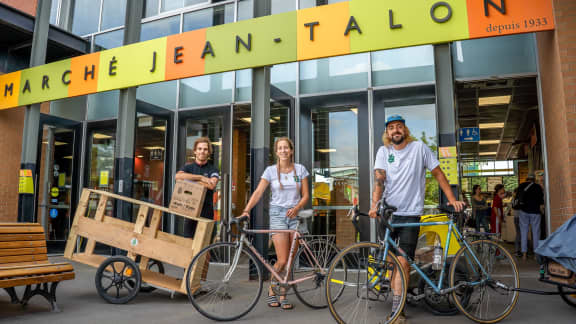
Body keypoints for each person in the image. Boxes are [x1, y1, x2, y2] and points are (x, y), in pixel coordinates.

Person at [369, 115, 465, 324]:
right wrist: (374, 205)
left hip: (410, 213)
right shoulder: (383, 151)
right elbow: (379, 179)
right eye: (392, 128)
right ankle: (401, 294)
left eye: (399, 127)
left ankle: (398, 309)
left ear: (405, 130)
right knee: (392, 262)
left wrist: (452, 200)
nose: (396, 130)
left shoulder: (419, 148)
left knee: (403, 262)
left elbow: (438, 173)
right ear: (387, 133)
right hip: (389, 214)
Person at [240, 137, 310, 310]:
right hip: (278, 215)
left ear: (291, 151)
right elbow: (258, 192)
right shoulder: (270, 171)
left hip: (295, 215)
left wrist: (297, 207)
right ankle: (272, 291)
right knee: (282, 259)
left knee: (290, 261)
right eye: (280, 148)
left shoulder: (300, 169)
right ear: (276, 151)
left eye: (286, 148)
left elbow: (306, 195)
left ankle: (284, 295)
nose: (283, 150)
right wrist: (246, 210)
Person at [175, 137, 220, 239]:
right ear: (195, 151)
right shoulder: (188, 167)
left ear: (209, 152)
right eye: (199, 149)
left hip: (206, 213)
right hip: (190, 212)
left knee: (207, 246)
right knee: (189, 244)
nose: (202, 152)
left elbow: (212, 184)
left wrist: (189, 181)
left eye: (205, 149)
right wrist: (201, 178)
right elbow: (178, 177)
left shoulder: (213, 169)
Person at [517, 174, 544, 261]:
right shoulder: (538, 187)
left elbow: (517, 198)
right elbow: (541, 201)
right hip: (535, 212)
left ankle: (524, 254)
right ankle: (536, 255)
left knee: (524, 232)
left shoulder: (521, 186)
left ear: (526, 179)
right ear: (534, 179)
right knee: (536, 233)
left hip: (523, 212)